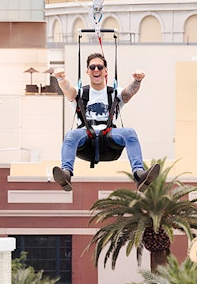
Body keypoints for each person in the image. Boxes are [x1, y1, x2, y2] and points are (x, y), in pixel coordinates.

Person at [50, 53, 159, 192]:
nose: (96, 70)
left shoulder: (114, 93)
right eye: (93, 67)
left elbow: (129, 92)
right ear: (87, 71)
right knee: (71, 135)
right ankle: (66, 174)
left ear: (105, 71)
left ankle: (139, 174)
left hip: (109, 139)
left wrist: (137, 81)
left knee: (129, 132)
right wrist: (60, 78)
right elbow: (67, 89)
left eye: (100, 67)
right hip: (86, 139)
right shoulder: (80, 93)